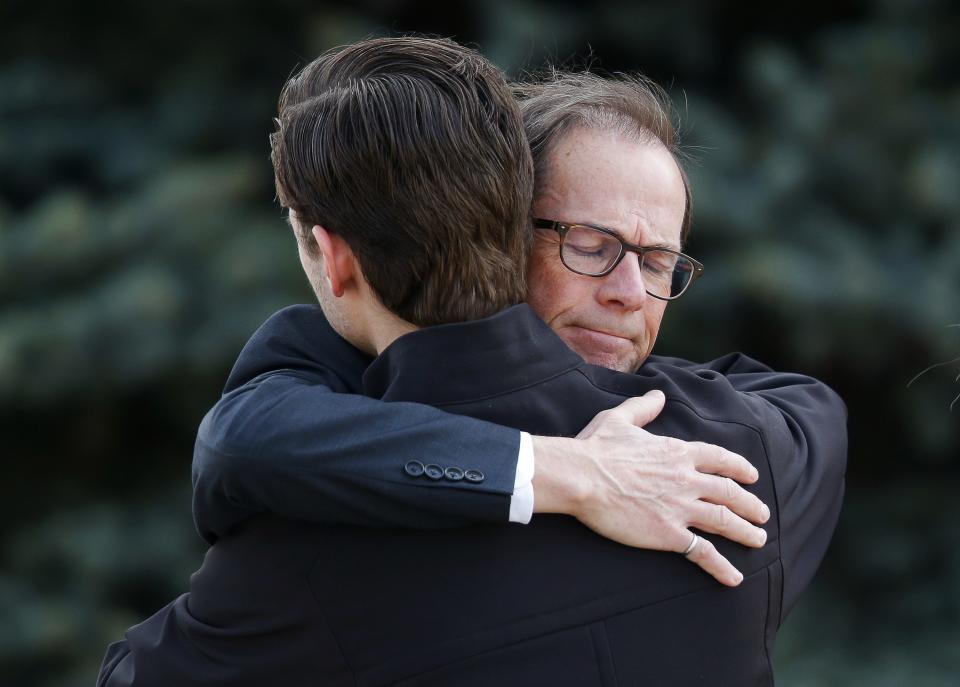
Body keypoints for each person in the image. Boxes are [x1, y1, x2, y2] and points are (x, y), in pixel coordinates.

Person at [98, 36, 846, 686]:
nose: (629, 293)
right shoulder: (747, 451)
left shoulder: (301, 554)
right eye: (591, 245)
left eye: (661, 262)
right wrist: (559, 469)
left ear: (333, 258)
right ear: (496, 224)